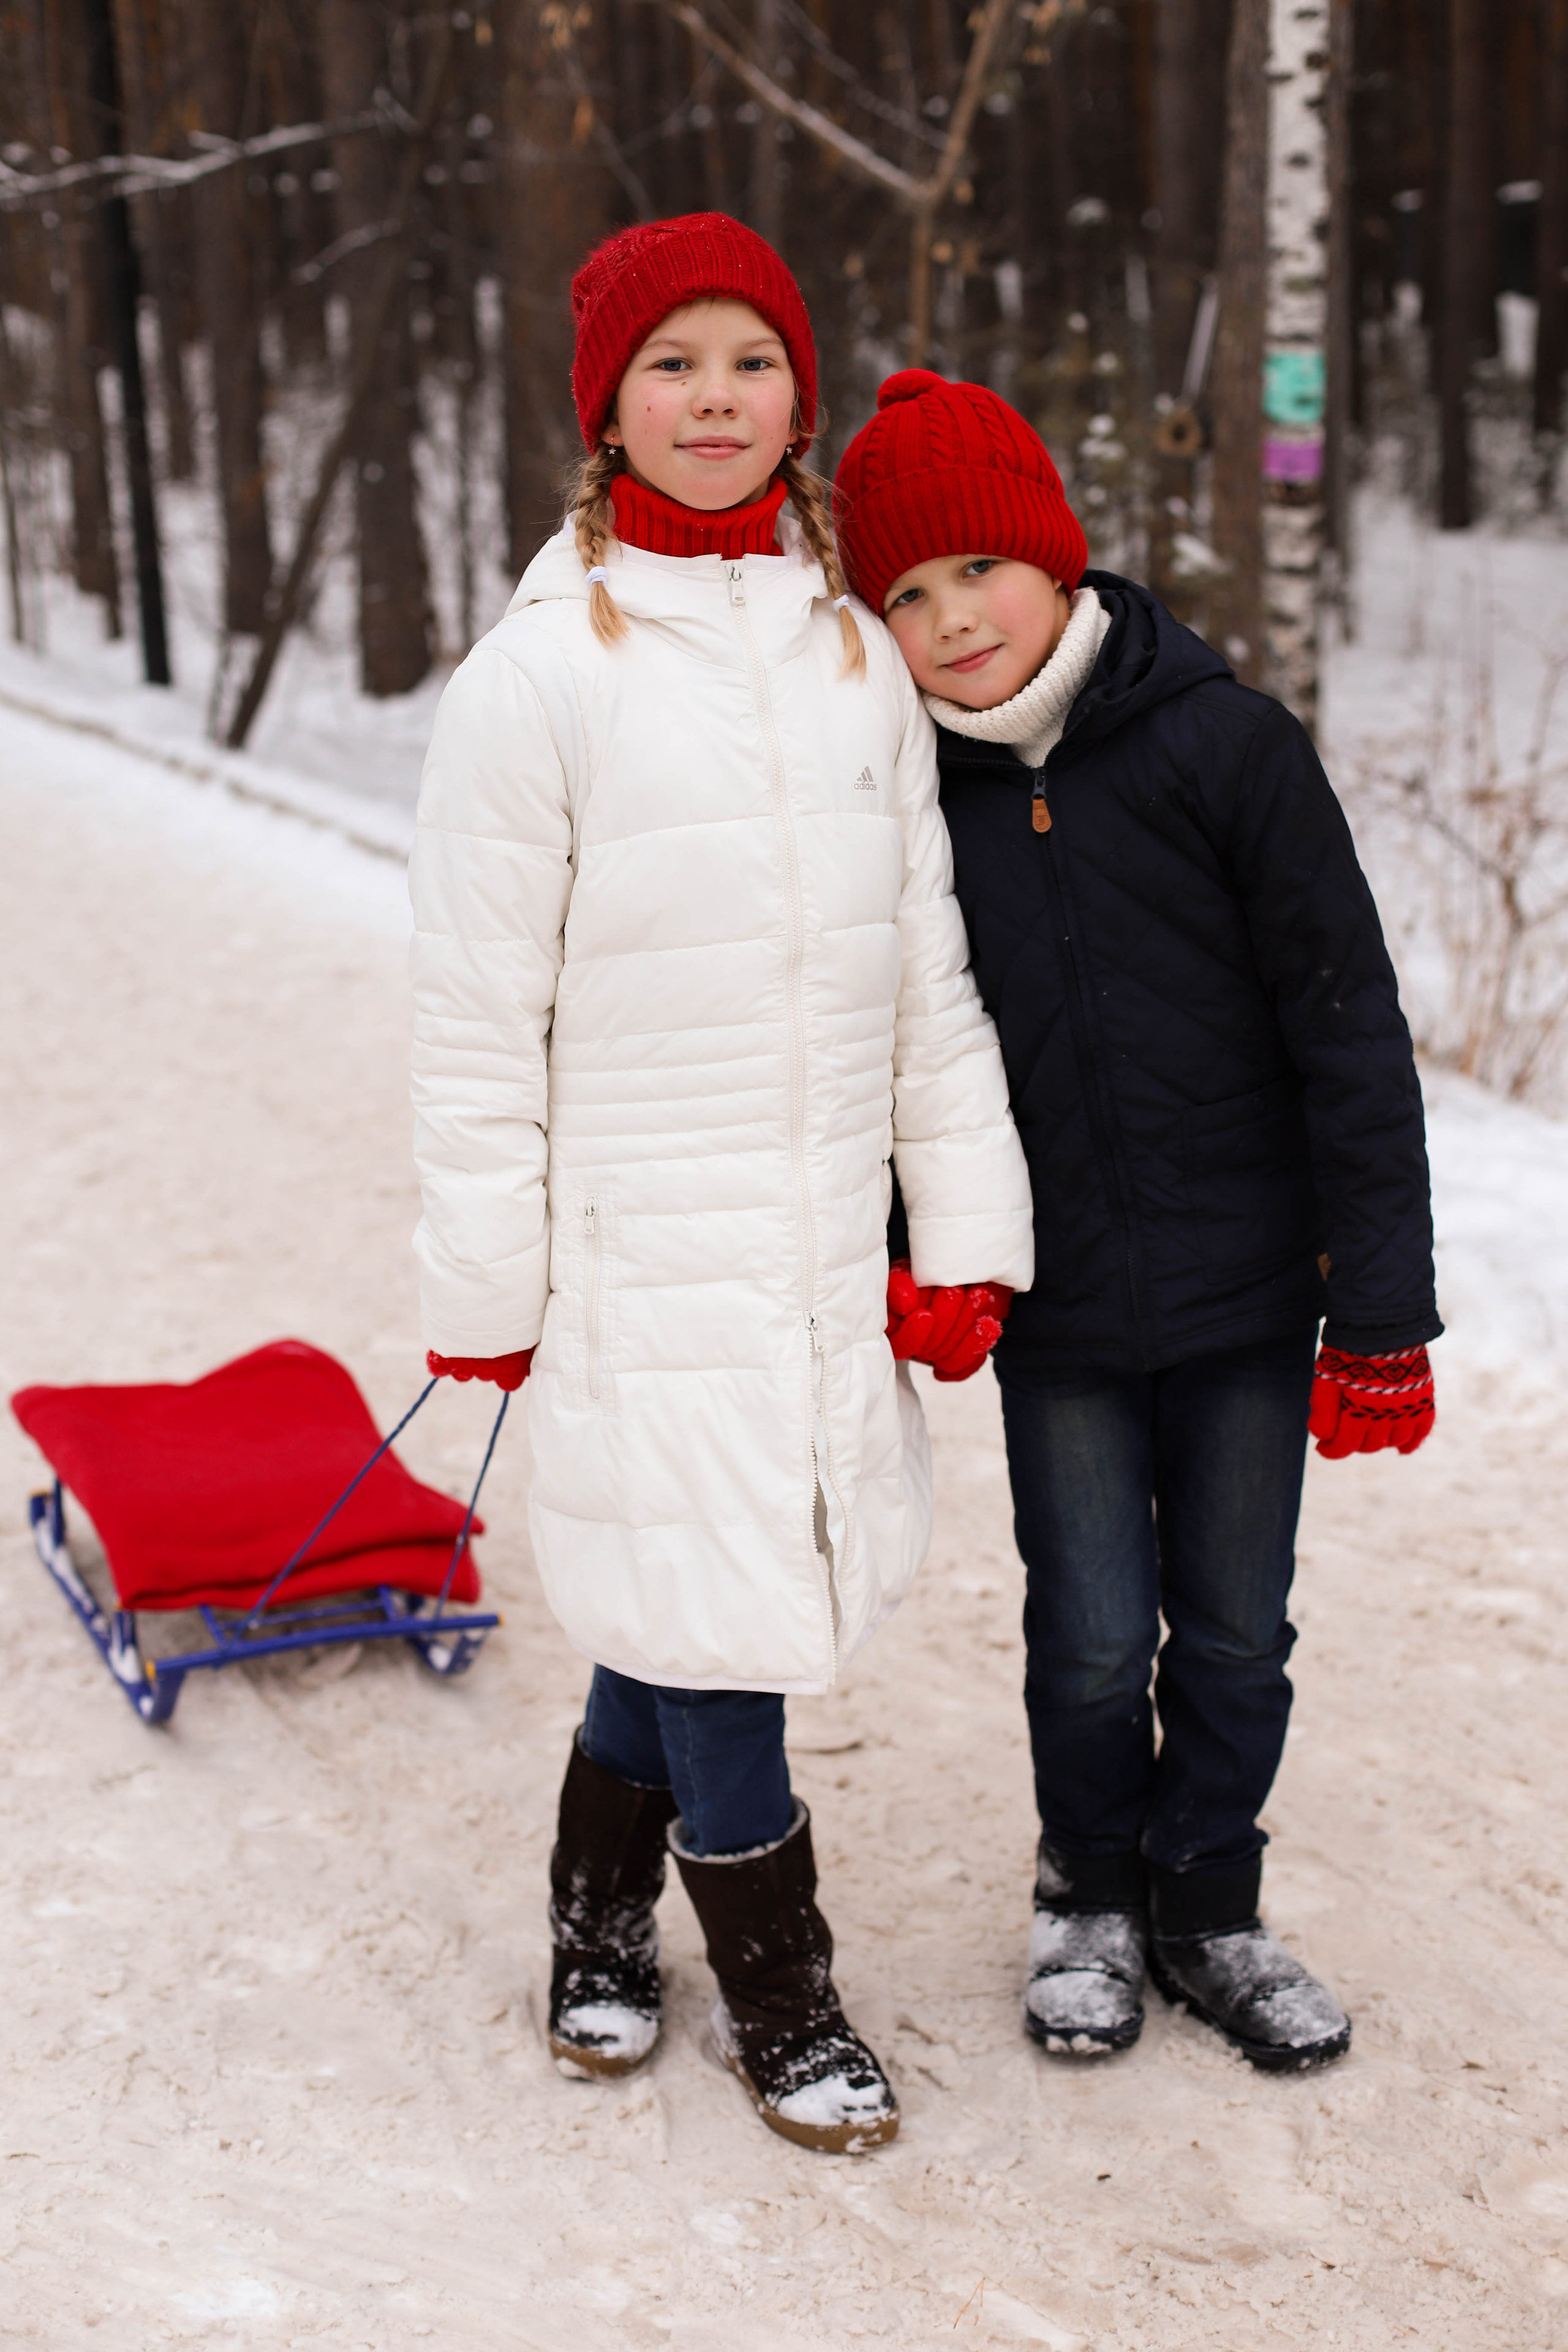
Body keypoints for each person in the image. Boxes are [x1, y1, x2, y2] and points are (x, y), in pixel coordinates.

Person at [407, 228, 1033, 2153]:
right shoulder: (538, 678)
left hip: (824, 1238)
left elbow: (927, 971)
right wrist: (488, 1289)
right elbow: (470, 1018)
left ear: (800, 396)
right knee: (729, 1622)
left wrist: (968, 1234)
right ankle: (785, 1992)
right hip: (636, 1252)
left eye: (749, 362)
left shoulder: (857, 652)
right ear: (607, 408)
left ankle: (596, 1917)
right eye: (669, 365)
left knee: (687, 1597)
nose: (712, 402)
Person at [834, 370, 1441, 2073]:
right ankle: (1089, 1891)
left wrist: (1382, 1310)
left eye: (975, 571)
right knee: (1093, 1633)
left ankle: (1209, 1905)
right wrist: (917, 1247)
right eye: (904, 595)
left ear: (1054, 556)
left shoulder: (1223, 747)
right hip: (1064, 1313)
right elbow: (897, 1060)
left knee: (1239, 1627)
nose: (952, 622)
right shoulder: (910, 812)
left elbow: (1347, 1028)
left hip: (1253, 1297)